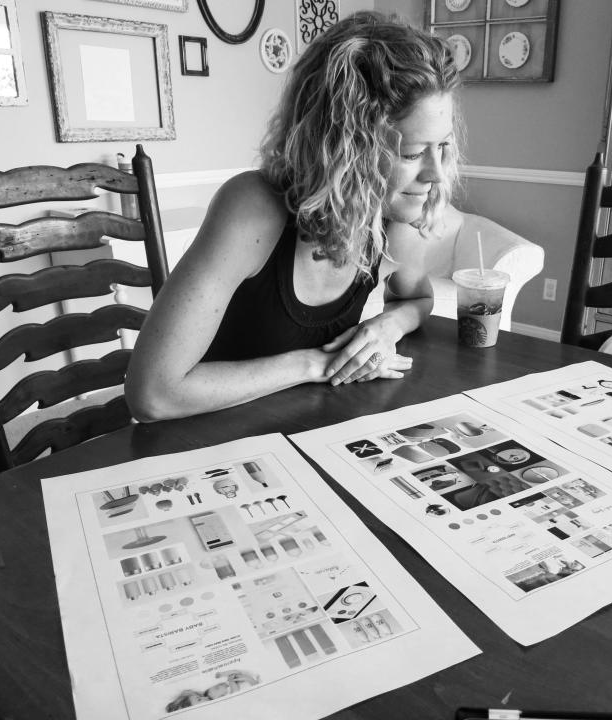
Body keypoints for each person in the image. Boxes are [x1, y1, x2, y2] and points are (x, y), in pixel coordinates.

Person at [126, 11, 462, 421]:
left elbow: (419, 298)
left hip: (302, 431)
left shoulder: (390, 216)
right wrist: (315, 365)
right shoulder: (252, 207)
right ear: (345, 147)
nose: (436, 173)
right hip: (204, 441)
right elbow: (153, 395)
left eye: (442, 147)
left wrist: (386, 328)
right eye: (412, 153)